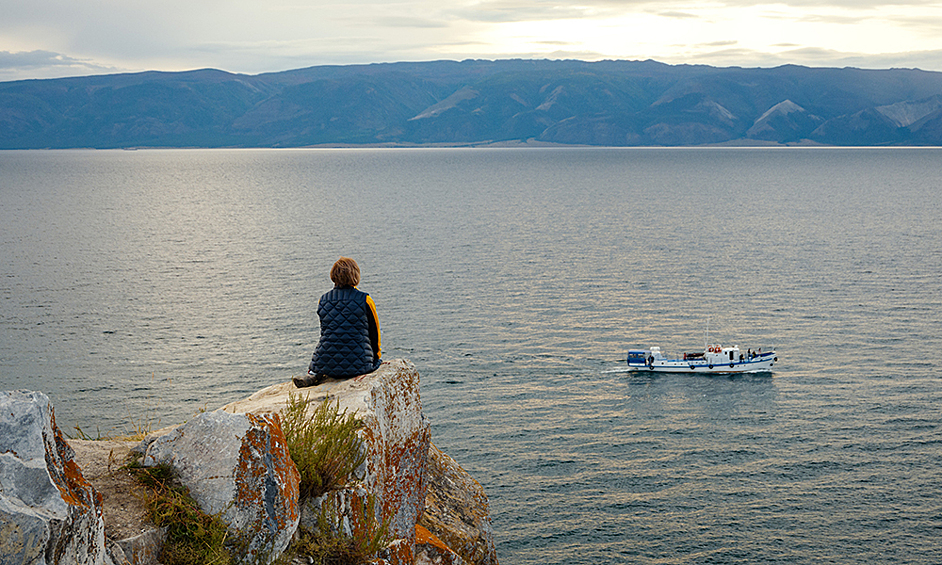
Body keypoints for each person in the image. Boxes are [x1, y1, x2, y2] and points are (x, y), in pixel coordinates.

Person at [294, 257, 382, 388]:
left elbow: (325, 332)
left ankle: (314, 374)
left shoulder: (323, 300)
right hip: (359, 363)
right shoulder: (365, 300)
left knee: (323, 354)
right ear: (356, 275)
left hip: (326, 361)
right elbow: (374, 333)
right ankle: (318, 373)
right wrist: (376, 356)